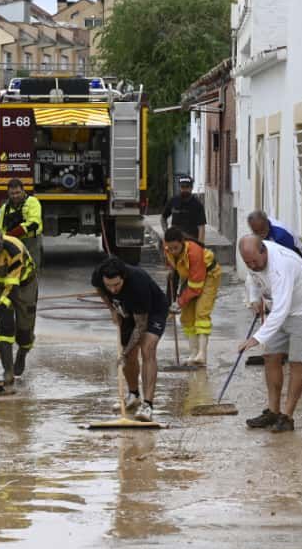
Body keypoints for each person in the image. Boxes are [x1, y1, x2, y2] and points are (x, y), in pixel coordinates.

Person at [238, 235, 302, 433]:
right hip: (283, 306)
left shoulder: (281, 267)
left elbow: (280, 310)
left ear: (264, 251)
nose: (252, 265)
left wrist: (256, 338)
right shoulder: (254, 260)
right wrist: (254, 298)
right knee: (270, 356)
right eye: (247, 262)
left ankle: (287, 417)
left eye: (254, 261)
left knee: (297, 361)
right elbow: (252, 278)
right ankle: (272, 411)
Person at [91, 256, 169, 422]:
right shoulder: (99, 275)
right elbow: (99, 289)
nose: (113, 290)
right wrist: (112, 309)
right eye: (109, 285)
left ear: (123, 277)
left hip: (153, 310)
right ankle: (133, 395)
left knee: (147, 348)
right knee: (130, 355)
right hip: (126, 309)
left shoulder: (137, 283)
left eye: (117, 285)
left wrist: (124, 353)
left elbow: (141, 327)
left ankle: (148, 405)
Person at [0, 220, 37, 386]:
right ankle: (8, 372)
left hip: (24, 285)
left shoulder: (13, 249)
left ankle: (23, 353)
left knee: (24, 332)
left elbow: (12, 288)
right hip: (4, 285)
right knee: (5, 329)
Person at [163, 227, 222, 365]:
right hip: (189, 277)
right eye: (169, 248)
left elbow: (196, 287)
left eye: (175, 248)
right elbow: (174, 266)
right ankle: (193, 353)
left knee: (201, 312)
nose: (172, 251)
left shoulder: (194, 252)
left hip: (208, 276)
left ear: (182, 242)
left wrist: (179, 302)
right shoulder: (167, 248)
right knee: (186, 316)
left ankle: (202, 354)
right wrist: (172, 271)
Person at [0, 178, 43, 272]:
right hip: (12, 243)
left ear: (23, 191)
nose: (15, 196)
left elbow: (34, 223)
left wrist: (12, 234)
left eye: (18, 192)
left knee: (31, 270)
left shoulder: (32, 202)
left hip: (31, 242)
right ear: (8, 193)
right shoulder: (4, 208)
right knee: (14, 271)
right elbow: (0, 228)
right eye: (12, 194)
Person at [160, 175, 206, 243]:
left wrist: (200, 245)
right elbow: (163, 218)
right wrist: (166, 233)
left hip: (192, 242)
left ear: (191, 188)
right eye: (182, 187)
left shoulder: (198, 205)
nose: (185, 189)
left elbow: (201, 227)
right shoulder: (173, 201)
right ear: (179, 187)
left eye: (187, 187)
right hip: (175, 242)